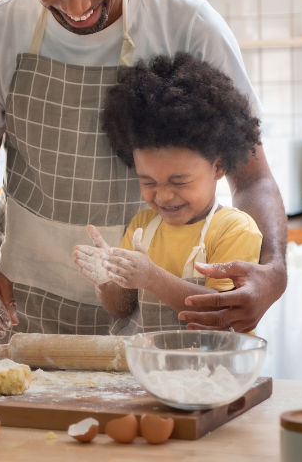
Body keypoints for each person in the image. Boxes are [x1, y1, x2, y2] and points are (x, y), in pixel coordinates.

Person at [0, 0, 287, 340]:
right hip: (29, 316)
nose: (75, 5)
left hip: (157, 319)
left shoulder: (188, 25)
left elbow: (252, 177)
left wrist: (273, 270)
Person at [73, 52, 263, 335]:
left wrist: (151, 277)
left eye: (179, 181)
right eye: (148, 182)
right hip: (149, 371)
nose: (163, 196)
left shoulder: (234, 230)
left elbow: (222, 315)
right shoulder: (142, 226)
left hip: (213, 372)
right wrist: (106, 280)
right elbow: (121, 309)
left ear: (218, 166)